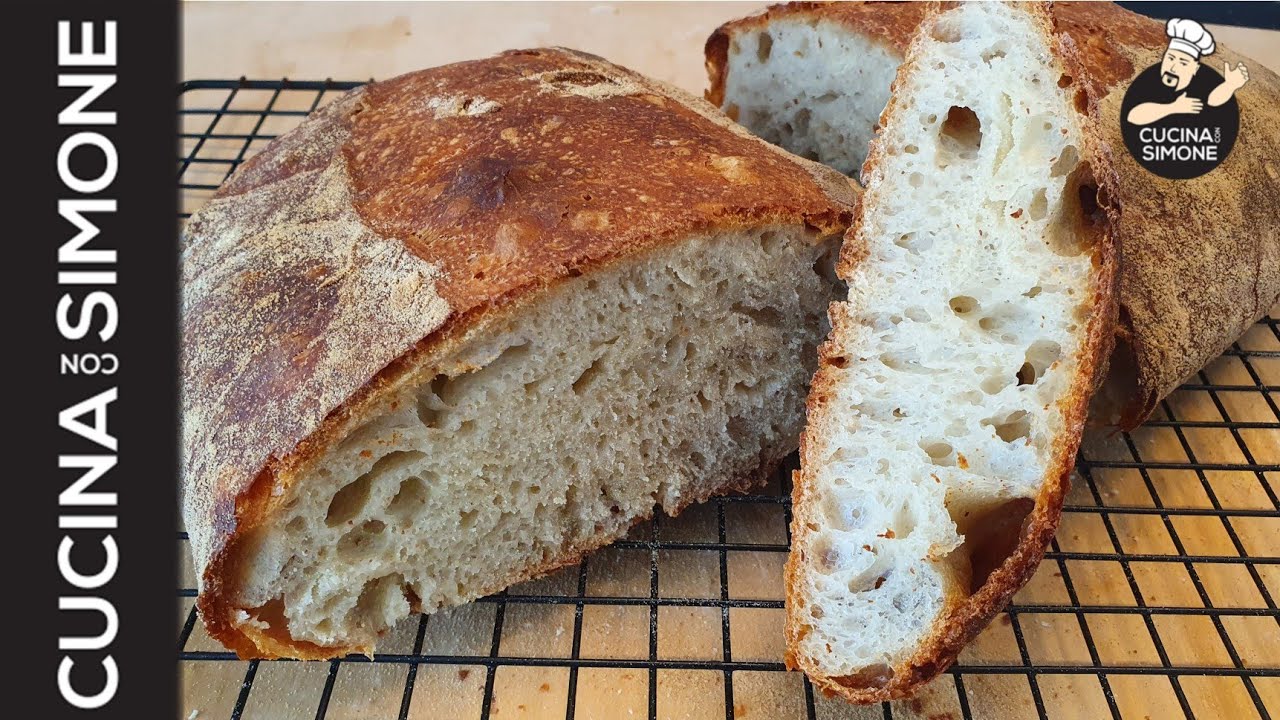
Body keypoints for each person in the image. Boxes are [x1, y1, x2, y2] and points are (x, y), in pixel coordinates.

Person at [1126, 18, 1249, 127]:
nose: (1173, 68)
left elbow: (1213, 101)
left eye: (1183, 63)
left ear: (1194, 69)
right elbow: (1133, 116)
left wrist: (1230, 85)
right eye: (1170, 58)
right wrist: (1173, 107)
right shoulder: (1149, 83)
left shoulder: (1197, 89)